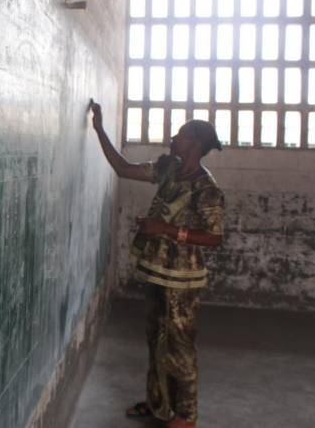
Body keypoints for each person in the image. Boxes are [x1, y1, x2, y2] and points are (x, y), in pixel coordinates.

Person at [89, 100, 224, 428]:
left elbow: (214, 237)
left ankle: (186, 416)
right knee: (157, 340)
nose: (172, 139)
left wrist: (165, 229)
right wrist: (99, 129)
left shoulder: (206, 189)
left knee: (180, 345)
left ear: (193, 143)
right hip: (158, 273)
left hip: (183, 280)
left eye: (179, 135)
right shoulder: (168, 168)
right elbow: (123, 168)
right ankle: (159, 404)